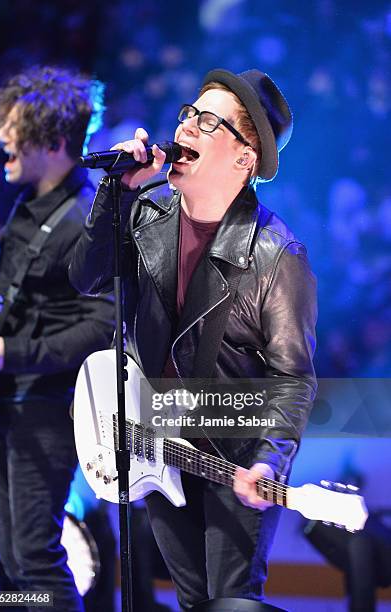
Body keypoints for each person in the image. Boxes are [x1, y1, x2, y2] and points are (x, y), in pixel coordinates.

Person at [69, 67, 317, 610]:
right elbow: (85, 277)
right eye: (189, 113)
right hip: (160, 445)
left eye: (208, 123)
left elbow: (292, 377)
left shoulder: (277, 255)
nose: (186, 128)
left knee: (228, 600)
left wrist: (270, 462)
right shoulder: (148, 210)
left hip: (237, 455)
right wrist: (115, 191)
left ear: (245, 158)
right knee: (190, 599)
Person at [0, 66, 114, 612]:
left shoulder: (87, 216)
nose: (0, 140)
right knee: (10, 559)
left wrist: (12, 352)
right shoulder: (27, 206)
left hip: (48, 405)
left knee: (36, 558)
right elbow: (8, 291)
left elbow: (101, 325)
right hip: (11, 398)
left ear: (54, 141)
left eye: (12, 128)